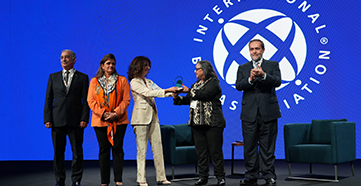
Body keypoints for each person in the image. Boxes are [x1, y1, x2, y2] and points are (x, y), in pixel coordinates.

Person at [235, 39, 281, 186]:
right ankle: (251, 176)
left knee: (268, 147)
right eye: (251, 49)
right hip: (249, 113)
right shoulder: (243, 67)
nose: (254, 51)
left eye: (257, 49)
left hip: (269, 111)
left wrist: (263, 75)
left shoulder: (272, 65)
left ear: (263, 50)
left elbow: (277, 81)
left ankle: (269, 176)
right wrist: (250, 79)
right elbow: (238, 85)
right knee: (249, 147)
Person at [173, 60, 226, 186]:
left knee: (215, 152)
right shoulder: (196, 84)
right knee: (201, 152)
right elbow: (188, 100)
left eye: (197, 69)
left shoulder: (213, 82)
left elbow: (205, 94)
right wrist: (177, 98)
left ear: (204, 70)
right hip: (197, 123)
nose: (195, 71)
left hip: (212, 123)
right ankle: (203, 177)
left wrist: (188, 91)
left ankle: (220, 177)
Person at [127, 56, 179, 186]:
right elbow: (148, 93)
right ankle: (141, 179)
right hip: (140, 119)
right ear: (138, 66)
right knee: (142, 149)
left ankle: (162, 177)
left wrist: (173, 93)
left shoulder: (149, 81)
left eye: (149, 65)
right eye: (145, 65)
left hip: (153, 118)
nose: (148, 68)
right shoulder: (134, 82)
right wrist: (167, 90)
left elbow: (157, 91)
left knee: (158, 148)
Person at [44, 49, 90, 186]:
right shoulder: (53, 77)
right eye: (62, 57)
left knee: (77, 152)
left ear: (74, 60)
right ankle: (60, 180)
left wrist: (84, 118)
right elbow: (48, 99)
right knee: (58, 152)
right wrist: (47, 118)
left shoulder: (82, 77)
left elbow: (85, 101)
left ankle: (76, 180)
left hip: (76, 121)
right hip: (57, 121)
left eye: (67, 57)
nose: (64, 59)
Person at [87, 54, 131, 186]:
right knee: (103, 150)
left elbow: (126, 100)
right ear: (102, 66)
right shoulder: (94, 81)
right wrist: (104, 114)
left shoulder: (122, 80)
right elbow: (91, 100)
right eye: (108, 63)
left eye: (113, 63)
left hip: (119, 120)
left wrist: (115, 113)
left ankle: (118, 180)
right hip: (100, 121)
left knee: (118, 148)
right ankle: (104, 181)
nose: (111, 66)